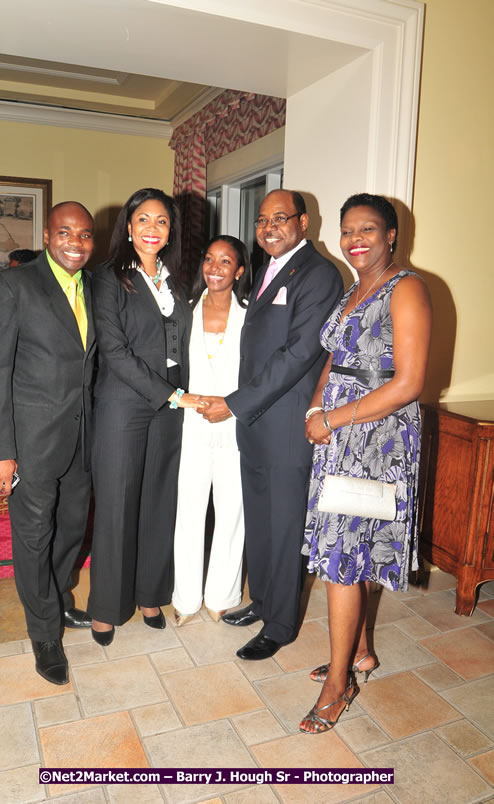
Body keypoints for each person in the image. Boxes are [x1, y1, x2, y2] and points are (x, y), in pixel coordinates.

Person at [299, 193, 431, 734]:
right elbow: (337, 355)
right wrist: (316, 406)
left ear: (391, 235)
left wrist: (333, 420)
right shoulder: (356, 290)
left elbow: (408, 384)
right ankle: (361, 653)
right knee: (353, 548)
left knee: (341, 556)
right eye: (348, 230)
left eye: (368, 230)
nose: (355, 239)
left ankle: (338, 684)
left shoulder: (408, 289)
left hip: (377, 438)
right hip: (340, 432)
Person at [201, 189, 343, 660]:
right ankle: (263, 601)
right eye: (262, 220)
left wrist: (236, 403)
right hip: (257, 424)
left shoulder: (319, 274)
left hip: (284, 426)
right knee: (259, 521)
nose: (268, 227)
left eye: (280, 218)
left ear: (303, 222)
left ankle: (280, 624)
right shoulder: (269, 270)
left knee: (283, 527)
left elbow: (300, 354)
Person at [0, 202, 97, 685]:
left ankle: (59, 598)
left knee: (70, 532)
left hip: (83, 440)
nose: (75, 243)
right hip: (30, 442)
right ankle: (44, 632)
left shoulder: (97, 286)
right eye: (65, 232)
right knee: (33, 537)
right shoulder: (12, 285)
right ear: (47, 235)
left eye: (85, 234)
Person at [87, 187, 199, 646]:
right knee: (117, 504)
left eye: (162, 222)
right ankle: (108, 607)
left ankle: (151, 593)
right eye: (144, 220)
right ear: (128, 227)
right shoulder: (108, 279)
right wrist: (172, 396)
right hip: (123, 405)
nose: (153, 229)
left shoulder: (178, 281)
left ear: (170, 231)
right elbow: (114, 351)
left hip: (170, 408)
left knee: (159, 499)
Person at [172, 236, 250, 624]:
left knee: (232, 510)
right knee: (188, 510)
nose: (214, 267)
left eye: (225, 261)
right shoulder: (183, 312)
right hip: (191, 426)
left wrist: (233, 405)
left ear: (238, 271)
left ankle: (222, 594)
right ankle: (185, 598)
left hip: (235, 426)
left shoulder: (252, 315)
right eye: (208, 259)